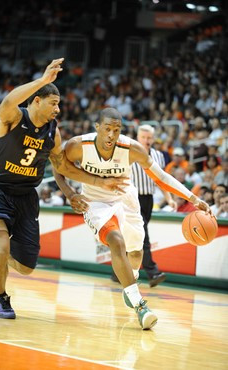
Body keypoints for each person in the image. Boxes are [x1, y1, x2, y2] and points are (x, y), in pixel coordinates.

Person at [0, 59, 127, 320]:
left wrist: (92, 184)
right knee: (1, 249)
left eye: (58, 104)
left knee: (26, 267)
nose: (58, 109)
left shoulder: (53, 133)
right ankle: (1, 299)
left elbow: (63, 167)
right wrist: (42, 80)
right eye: (53, 103)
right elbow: (6, 103)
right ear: (37, 100)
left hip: (26, 197)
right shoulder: (15, 118)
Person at [63, 107, 211, 330]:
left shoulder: (131, 148)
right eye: (107, 129)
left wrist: (192, 197)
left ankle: (129, 282)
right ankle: (140, 304)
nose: (111, 135)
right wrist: (70, 193)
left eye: (116, 130)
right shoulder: (78, 145)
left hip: (126, 198)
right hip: (95, 203)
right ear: (97, 128)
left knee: (136, 252)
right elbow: (58, 166)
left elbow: (160, 178)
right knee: (116, 241)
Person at [128, 124, 177, 287]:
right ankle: (153, 272)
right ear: (138, 137)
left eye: (149, 138)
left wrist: (169, 198)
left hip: (148, 199)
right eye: (144, 137)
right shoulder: (129, 152)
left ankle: (119, 272)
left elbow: (160, 180)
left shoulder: (158, 155)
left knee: (133, 237)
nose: (147, 141)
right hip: (132, 198)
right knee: (143, 236)